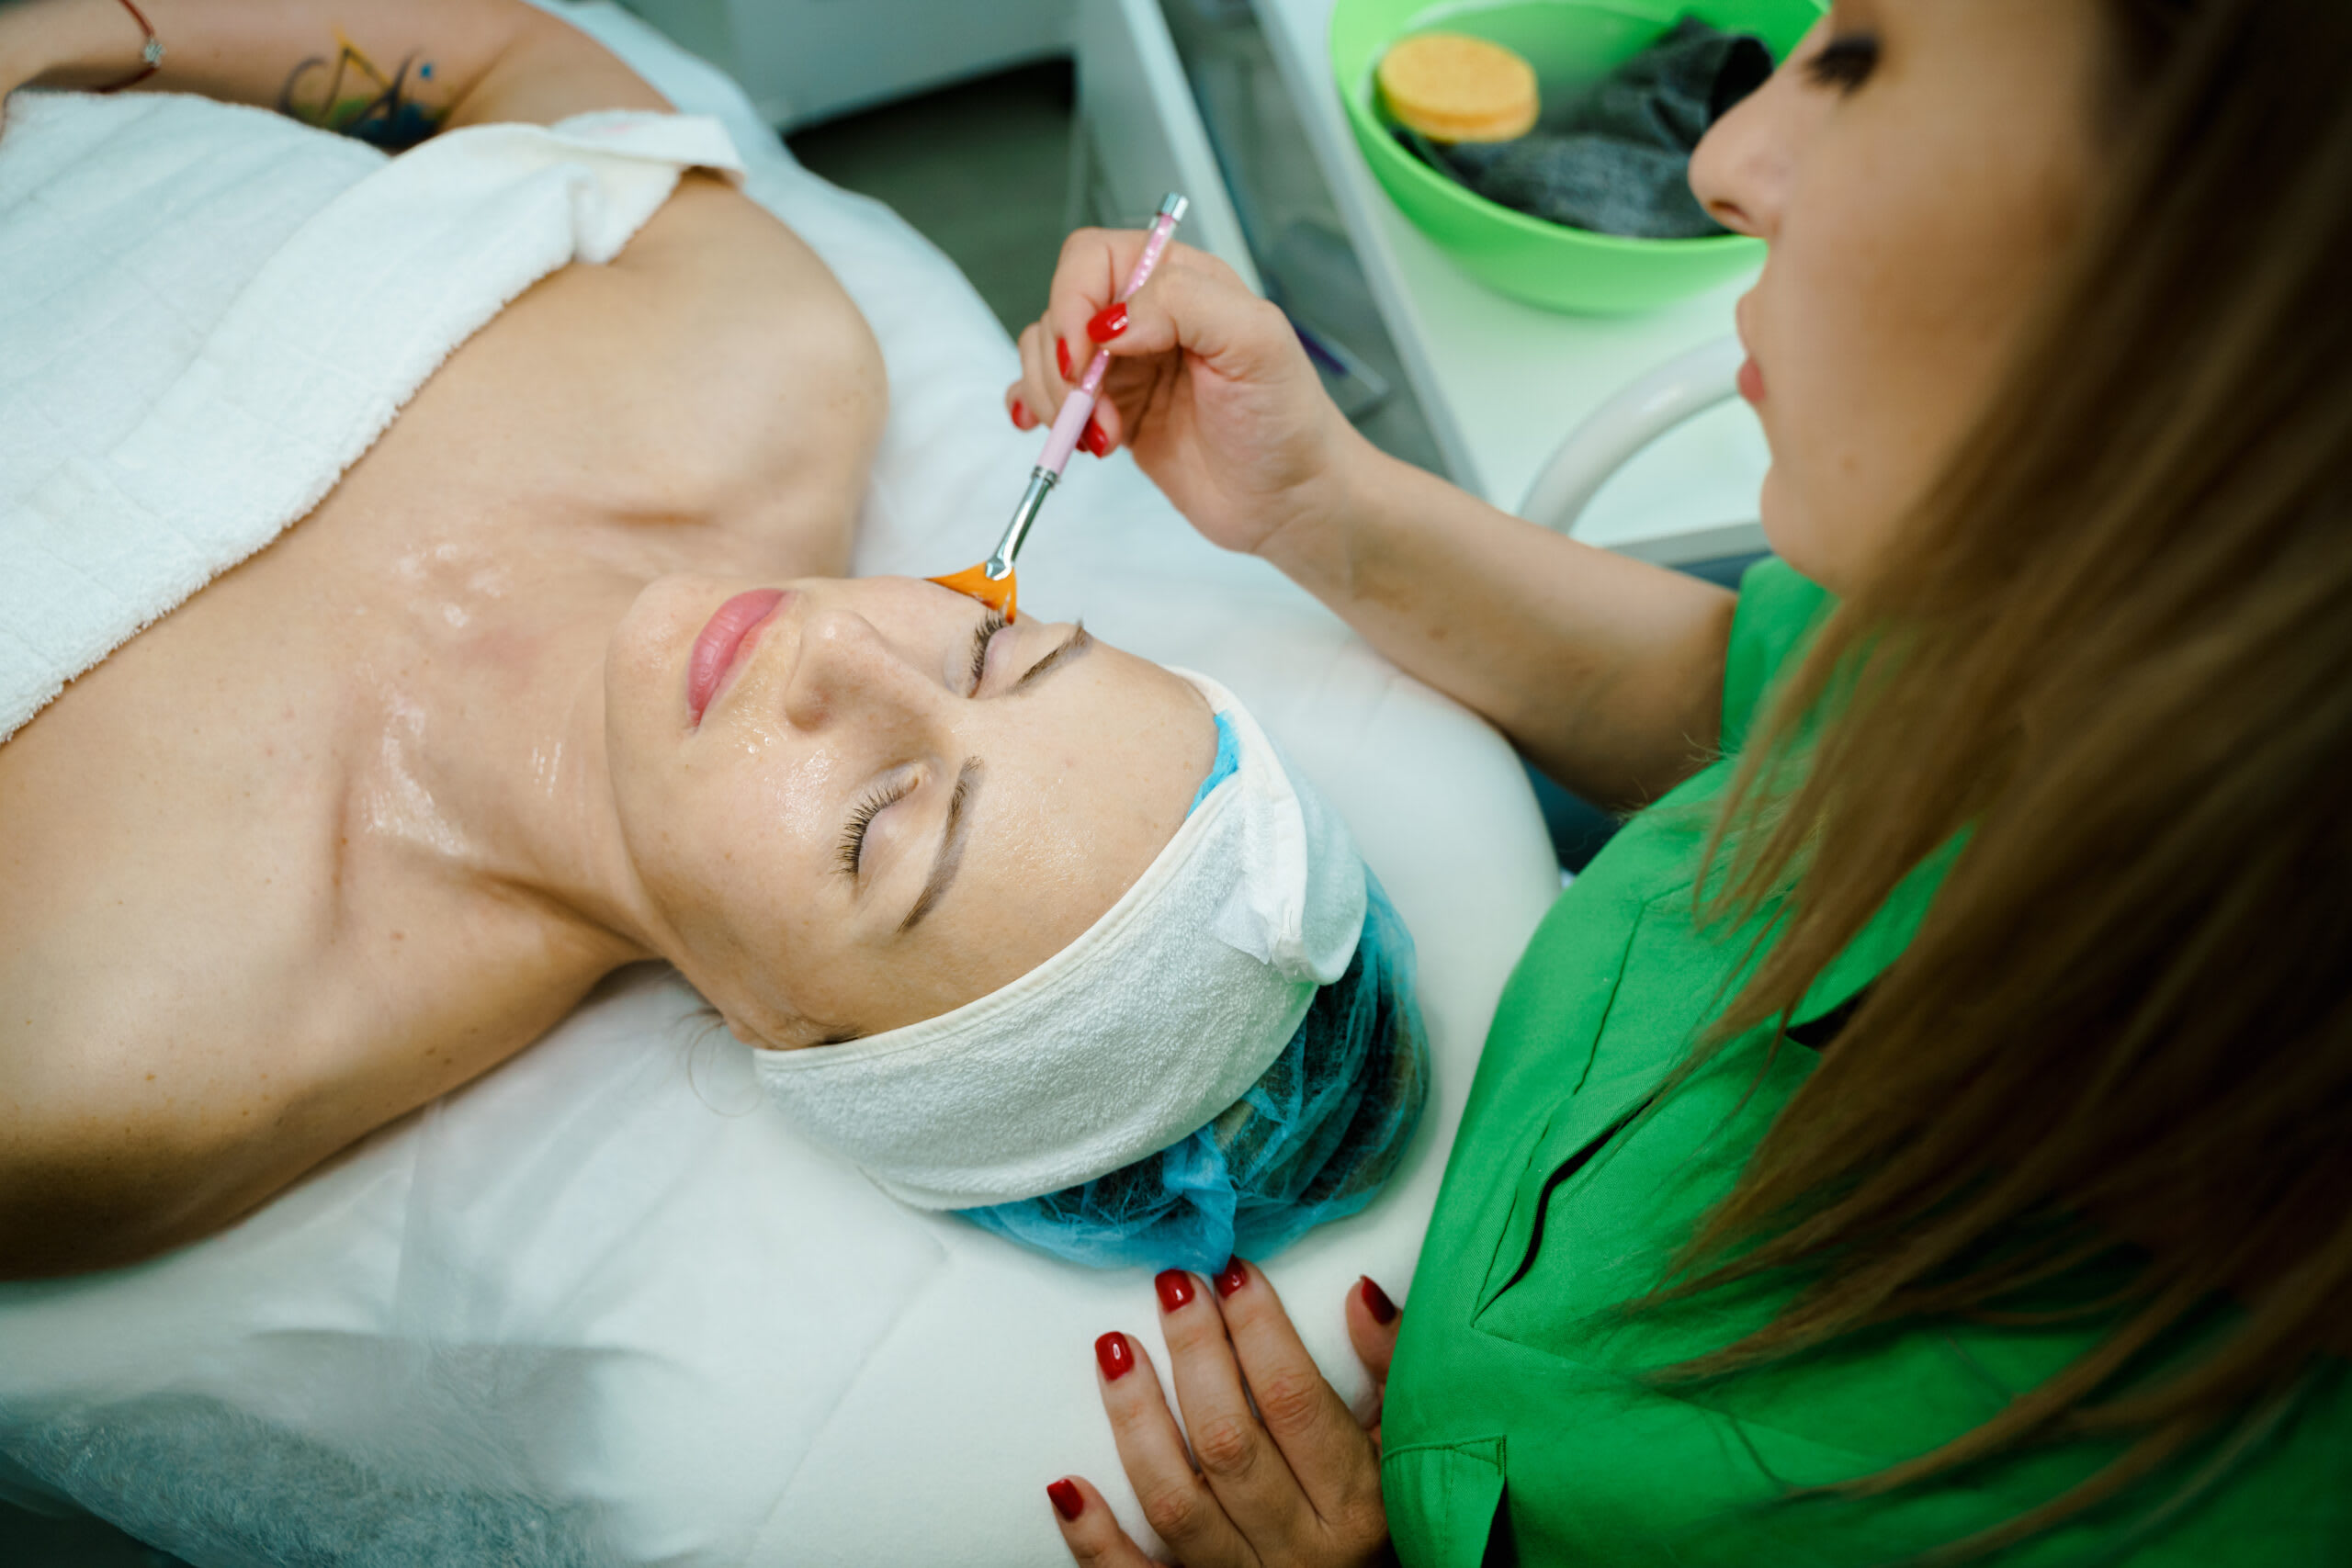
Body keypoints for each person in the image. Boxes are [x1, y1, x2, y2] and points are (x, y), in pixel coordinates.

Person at [1010, 0, 2352, 1562]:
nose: (1719, 160)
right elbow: (1761, 703)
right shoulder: (2066, 642)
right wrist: (1319, 502)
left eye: (1858, 62)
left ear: (2220, 315)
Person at [0, 0, 1418, 1284]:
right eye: (995, 653)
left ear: (785, 1032)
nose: (836, 653)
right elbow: (493, 58)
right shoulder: (770, 365)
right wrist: (75, 37)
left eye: (876, 827)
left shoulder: (106, 1046)